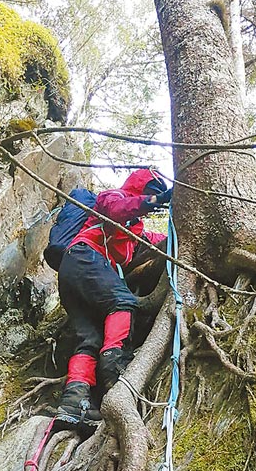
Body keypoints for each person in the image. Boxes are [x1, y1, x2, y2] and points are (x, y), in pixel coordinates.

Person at [56, 168, 172, 426]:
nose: (151, 200)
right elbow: (117, 210)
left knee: (88, 339)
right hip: (85, 257)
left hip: (73, 273)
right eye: (149, 192)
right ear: (140, 187)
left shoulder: (134, 230)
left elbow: (152, 240)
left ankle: (74, 403)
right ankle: (114, 362)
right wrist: (155, 200)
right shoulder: (113, 196)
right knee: (123, 301)